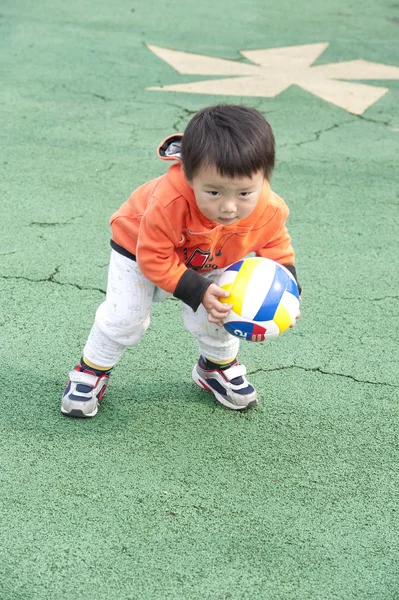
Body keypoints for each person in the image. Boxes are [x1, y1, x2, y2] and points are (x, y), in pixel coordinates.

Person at [61, 104, 300, 418]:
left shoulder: (269, 207)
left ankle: (215, 368)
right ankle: (91, 370)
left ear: (263, 179)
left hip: (212, 255)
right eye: (213, 192)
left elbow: (276, 246)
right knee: (125, 318)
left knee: (221, 313)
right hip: (138, 247)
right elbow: (153, 257)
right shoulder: (170, 200)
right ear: (189, 174)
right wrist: (197, 290)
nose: (228, 207)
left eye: (244, 193)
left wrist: (290, 295)